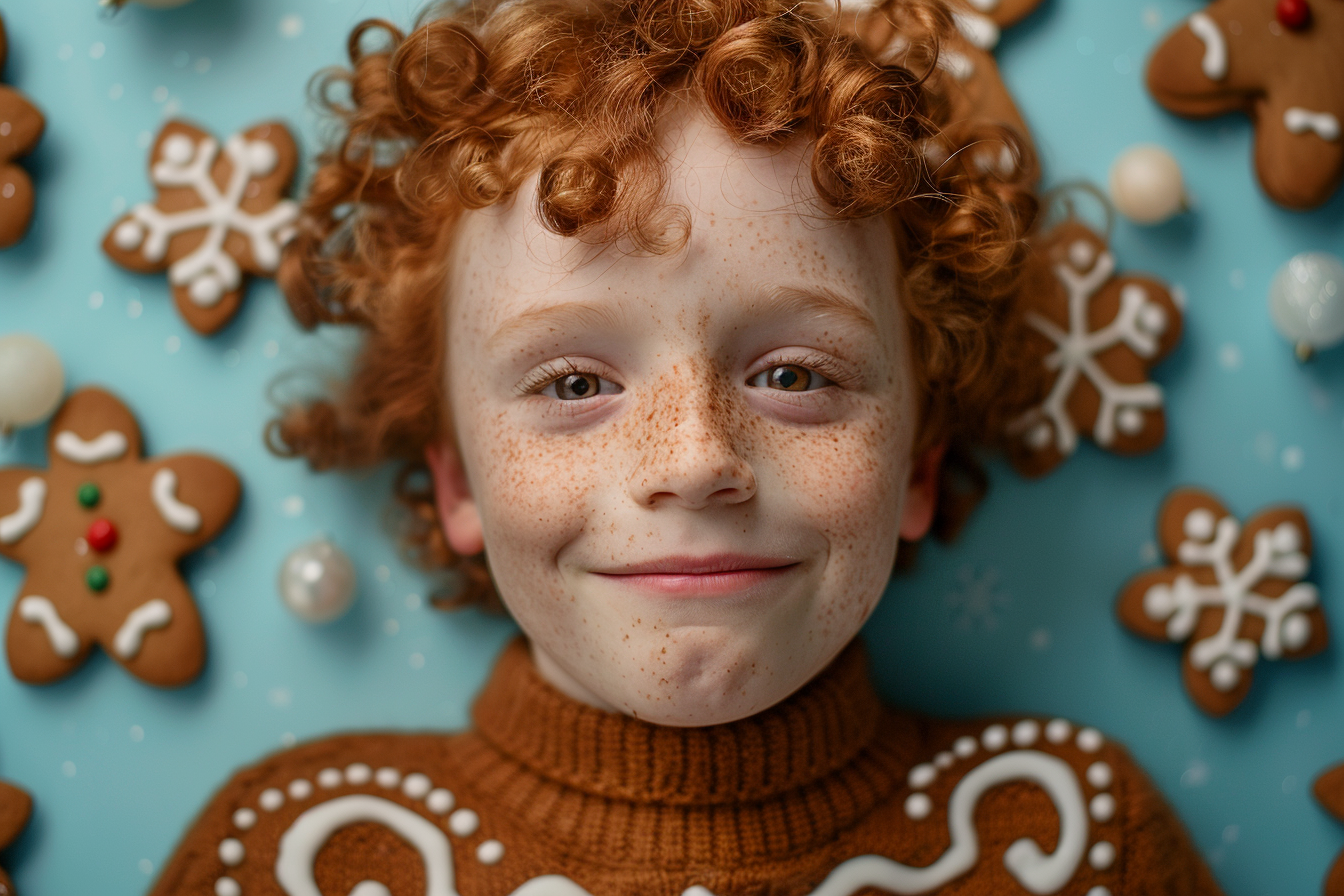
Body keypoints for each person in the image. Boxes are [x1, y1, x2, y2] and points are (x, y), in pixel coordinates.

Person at [149, 0, 1224, 892]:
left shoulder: (1085, 843)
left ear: (918, 465)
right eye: (574, 382)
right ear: (454, 480)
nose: (695, 456)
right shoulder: (289, 855)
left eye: (795, 375)